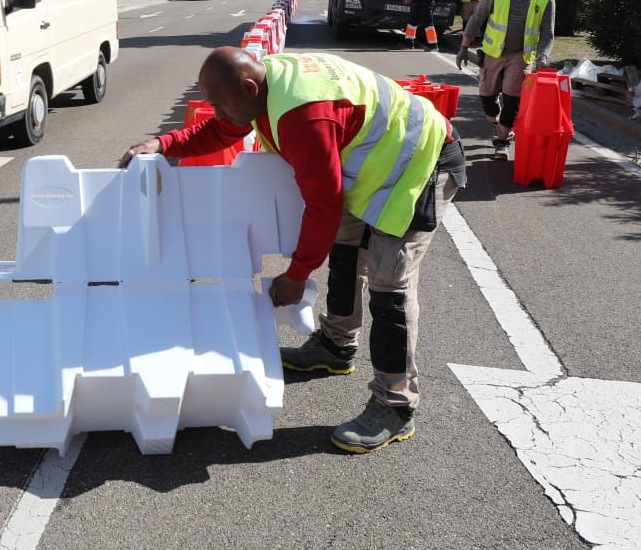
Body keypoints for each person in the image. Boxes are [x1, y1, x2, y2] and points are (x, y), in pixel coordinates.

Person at [119, 47, 468, 454]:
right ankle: (336, 346)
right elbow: (220, 132)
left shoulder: (302, 115)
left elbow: (323, 205)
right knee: (343, 246)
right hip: (374, 164)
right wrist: (163, 144)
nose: (216, 111)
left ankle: (395, 405)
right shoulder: (261, 90)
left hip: (420, 162)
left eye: (219, 103)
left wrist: (296, 275)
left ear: (248, 88)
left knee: (390, 282)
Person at [457, 0, 554, 160]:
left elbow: (547, 33)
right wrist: (464, 46)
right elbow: (477, 17)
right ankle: (497, 122)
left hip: (521, 56)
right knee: (486, 97)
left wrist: (542, 57)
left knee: (512, 99)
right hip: (493, 52)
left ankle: (502, 140)